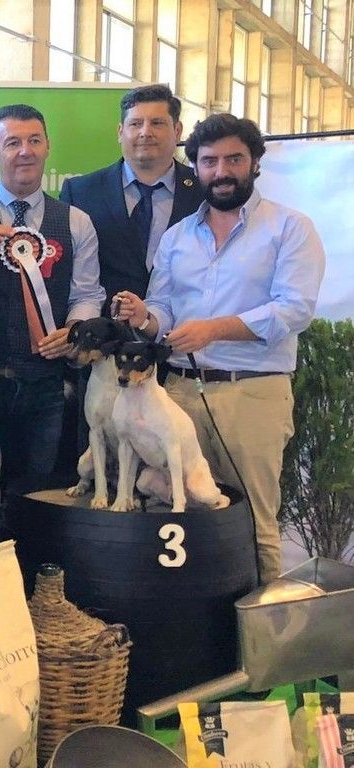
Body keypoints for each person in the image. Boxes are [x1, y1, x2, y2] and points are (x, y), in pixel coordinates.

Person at [115, 114, 325, 584]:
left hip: (252, 395)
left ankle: (260, 646)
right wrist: (144, 318)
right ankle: (195, 637)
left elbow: (294, 310)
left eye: (234, 159)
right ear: (196, 167)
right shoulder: (177, 236)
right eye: (209, 161)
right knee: (174, 514)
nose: (222, 171)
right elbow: (164, 310)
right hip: (178, 396)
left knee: (254, 523)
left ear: (254, 164)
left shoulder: (290, 228)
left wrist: (215, 330)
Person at [0, 105, 105, 494]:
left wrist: (73, 331)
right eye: (13, 142)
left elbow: (87, 294)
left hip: (44, 384)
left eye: (34, 141)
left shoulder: (76, 221)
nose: (25, 151)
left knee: (35, 495)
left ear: (48, 147)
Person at [60, 84, 203, 305]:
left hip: (185, 330)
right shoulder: (80, 193)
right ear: (120, 132)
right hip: (106, 332)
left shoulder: (203, 191)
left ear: (177, 130)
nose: (145, 132)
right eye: (135, 124)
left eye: (157, 123)